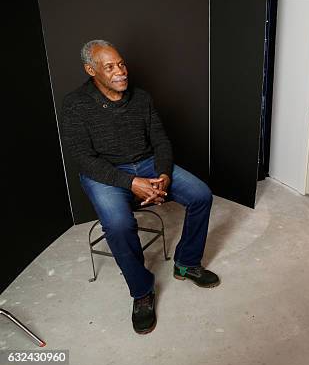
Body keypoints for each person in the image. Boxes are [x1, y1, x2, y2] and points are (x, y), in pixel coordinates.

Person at [61, 40, 220, 334]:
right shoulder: (75, 105)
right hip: (104, 172)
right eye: (109, 67)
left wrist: (163, 176)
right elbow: (84, 159)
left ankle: (186, 262)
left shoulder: (142, 98)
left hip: (147, 164)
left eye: (121, 64)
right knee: (119, 225)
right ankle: (142, 291)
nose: (120, 71)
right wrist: (131, 183)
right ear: (90, 70)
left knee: (201, 195)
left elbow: (160, 140)